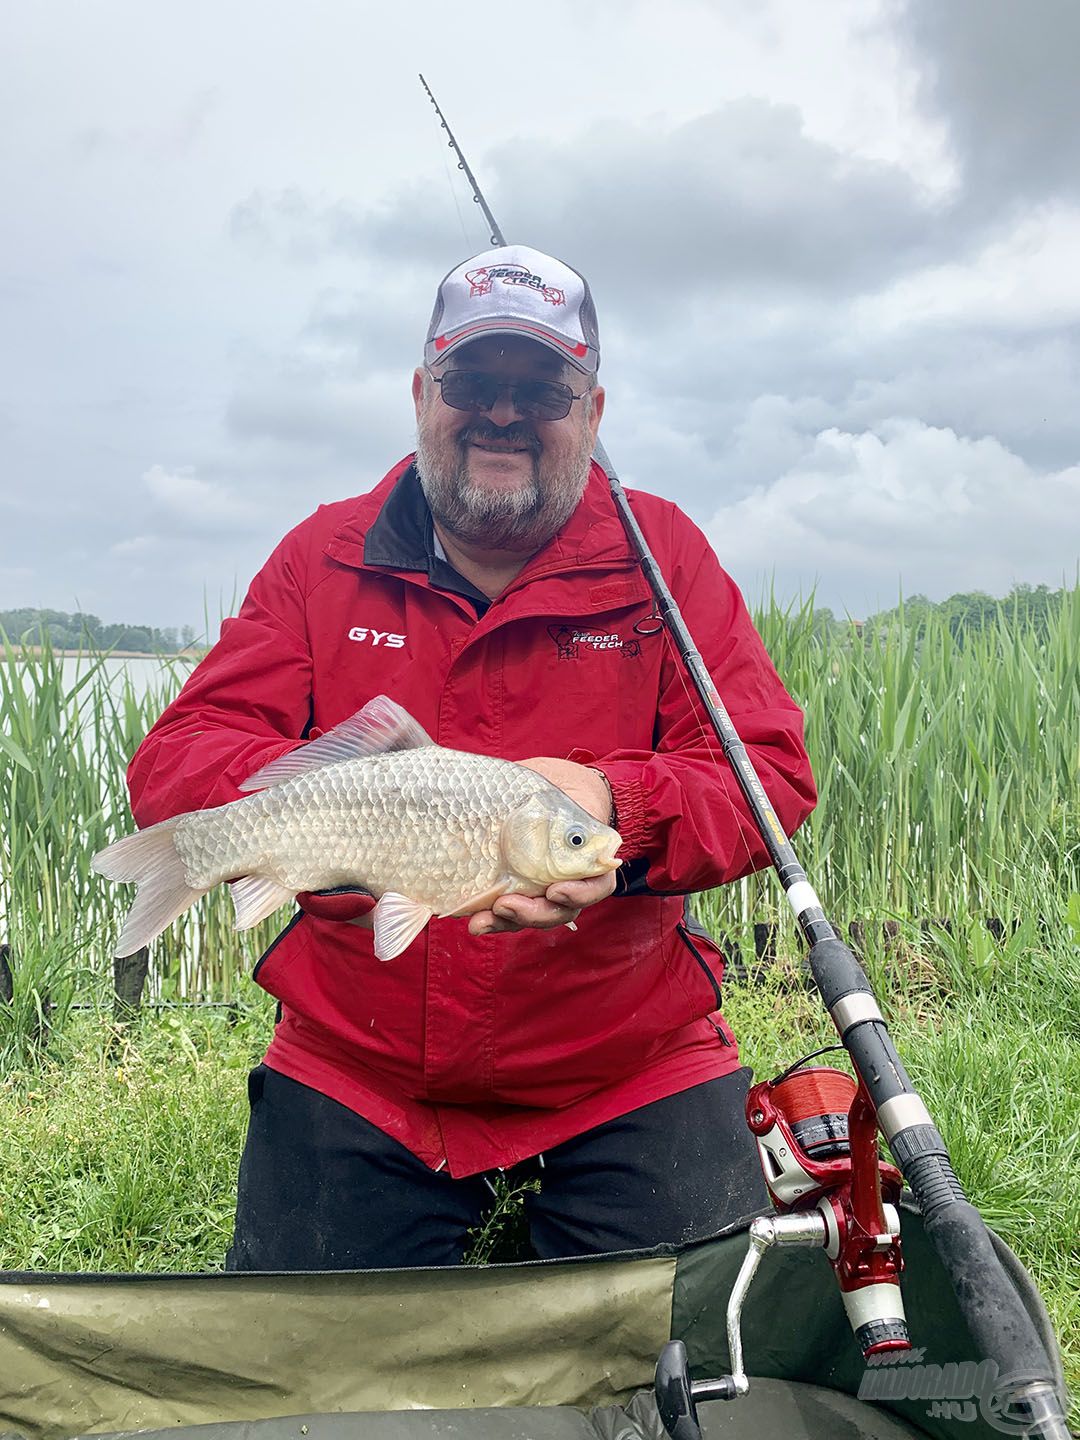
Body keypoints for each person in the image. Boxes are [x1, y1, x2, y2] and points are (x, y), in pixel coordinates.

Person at [127, 244, 817, 1270]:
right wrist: (336, 818)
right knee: (313, 1385)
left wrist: (615, 805)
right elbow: (179, 757)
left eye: (541, 387)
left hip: (625, 1061)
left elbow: (767, 774)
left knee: (694, 1360)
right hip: (359, 1065)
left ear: (593, 411)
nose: (503, 414)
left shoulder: (661, 557)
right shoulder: (326, 554)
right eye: (472, 382)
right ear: (421, 393)